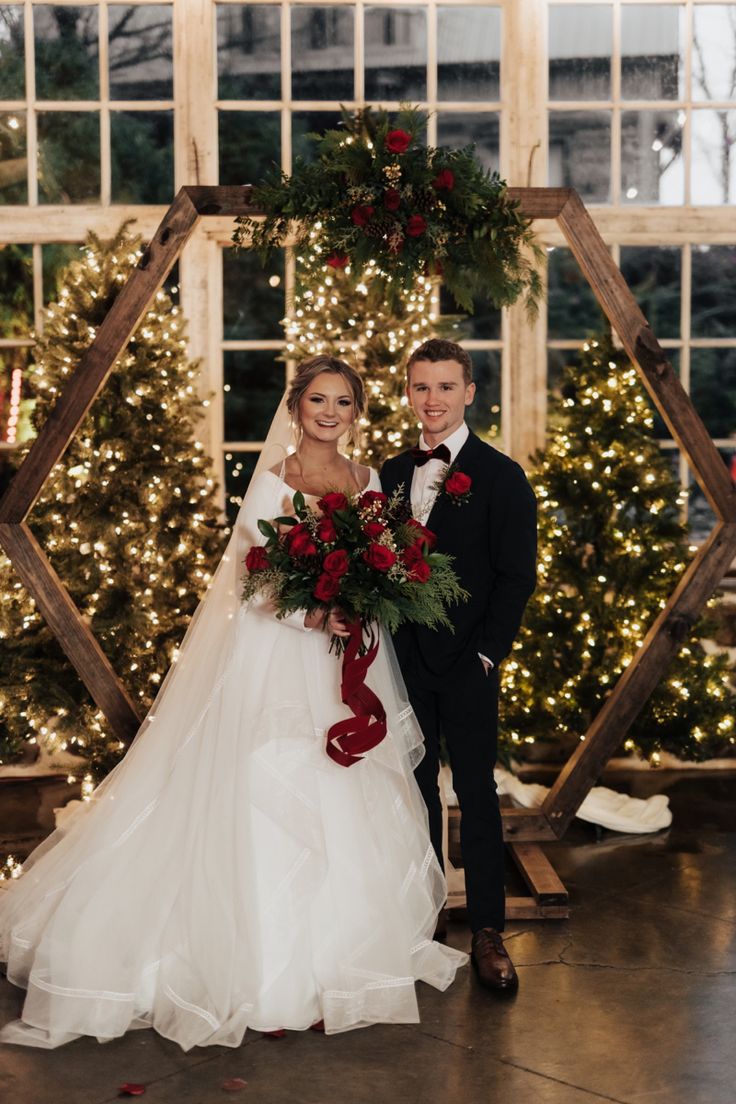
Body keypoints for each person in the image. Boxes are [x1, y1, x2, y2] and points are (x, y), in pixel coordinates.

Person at [0, 354, 466, 1052]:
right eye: (318, 400)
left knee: (349, 790)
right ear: (297, 405)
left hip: (351, 660)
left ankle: (340, 957)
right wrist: (314, 616)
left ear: (358, 410)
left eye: (343, 401)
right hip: (283, 662)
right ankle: (263, 966)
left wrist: (366, 599)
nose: (330, 412)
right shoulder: (275, 483)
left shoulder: (370, 481)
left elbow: (384, 563)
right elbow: (251, 583)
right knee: (273, 784)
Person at [380, 339, 537, 991]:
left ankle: (489, 931)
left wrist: (485, 652)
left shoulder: (501, 477)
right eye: (421, 387)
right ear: (409, 393)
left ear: (470, 393)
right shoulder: (388, 474)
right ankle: (423, 917)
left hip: (467, 662)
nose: (433, 400)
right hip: (403, 661)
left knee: (475, 794)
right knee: (410, 793)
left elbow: (515, 575)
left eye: (445, 387)